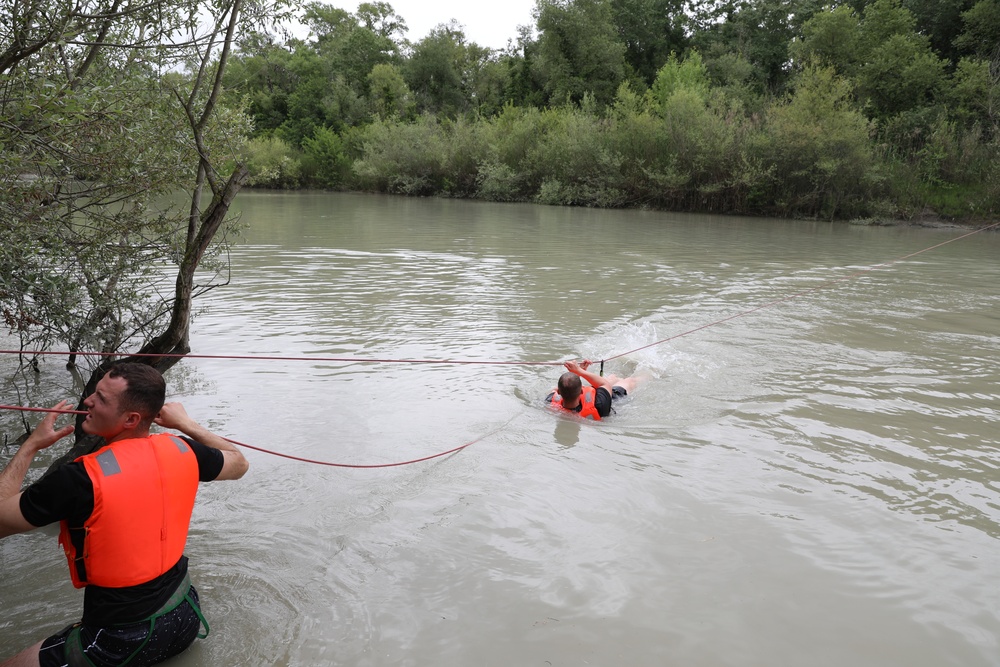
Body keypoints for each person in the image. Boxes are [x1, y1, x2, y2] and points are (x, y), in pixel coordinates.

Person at [0, 362, 249, 667]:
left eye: (102, 399)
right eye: (94, 392)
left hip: (118, 640)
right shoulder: (184, 450)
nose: (87, 400)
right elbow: (239, 463)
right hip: (185, 617)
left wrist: (31, 445)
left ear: (131, 418)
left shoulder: (78, 479)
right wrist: (185, 424)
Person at [545, 359, 642, 420]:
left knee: (612, 378)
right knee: (629, 381)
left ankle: (617, 378)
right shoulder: (599, 405)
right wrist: (580, 371)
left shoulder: (550, 402)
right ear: (582, 391)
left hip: (591, 397)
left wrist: (578, 373)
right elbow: (605, 384)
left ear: (559, 393)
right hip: (611, 400)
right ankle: (650, 373)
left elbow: (557, 390)